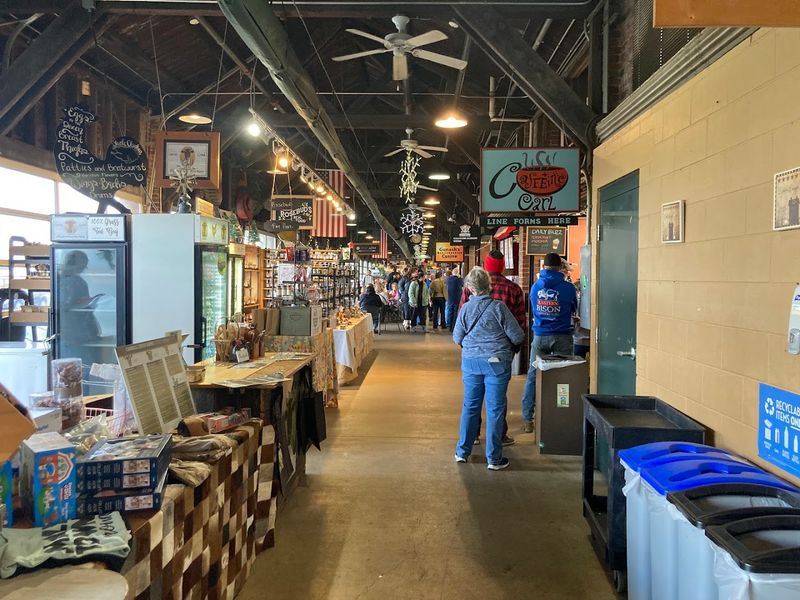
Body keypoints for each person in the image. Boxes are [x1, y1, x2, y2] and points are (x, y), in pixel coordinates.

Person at [453, 267, 525, 470]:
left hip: (471, 363)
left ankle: (462, 451)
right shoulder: (499, 308)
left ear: (470, 288)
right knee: (495, 409)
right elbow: (518, 335)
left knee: (470, 406)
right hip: (497, 363)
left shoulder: (465, 309)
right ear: (489, 286)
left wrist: (473, 346)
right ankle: (493, 458)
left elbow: (457, 337)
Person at [520, 252, 579, 433]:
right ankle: (559, 416)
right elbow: (574, 308)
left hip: (540, 336)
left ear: (543, 267)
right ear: (560, 267)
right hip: (562, 336)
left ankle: (527, 419)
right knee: (563, 376)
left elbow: (533, 308)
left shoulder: (536, 286)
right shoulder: (568, 288)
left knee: (532, 375)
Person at [445, 267, 463, 333]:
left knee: (449, 311)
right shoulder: (459, 279)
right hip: (457, 298)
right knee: (455, 312)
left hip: (450, 298)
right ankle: (453, 326)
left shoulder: (448, 279)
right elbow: (463, 285)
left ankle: (449, 325)